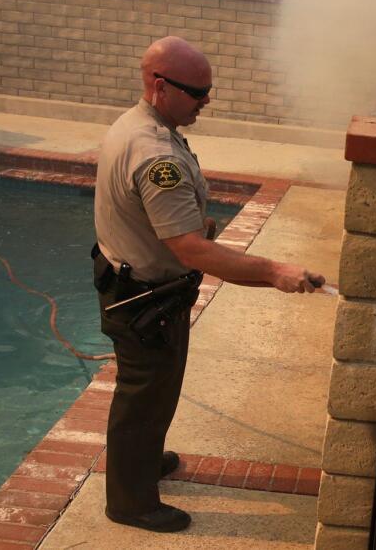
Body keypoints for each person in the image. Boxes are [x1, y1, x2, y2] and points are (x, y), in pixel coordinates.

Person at [92, 36, 323, 532]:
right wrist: (275, 272)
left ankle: (142, 461)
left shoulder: (142, 124)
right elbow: (191, 250)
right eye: (198, 92)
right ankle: (130, 503)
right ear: (159, 86)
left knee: (155, 391)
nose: (207, 101)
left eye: (208, 90)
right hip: (144, 297)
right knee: (144, 394)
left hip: (134, 282)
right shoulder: (156, 153)